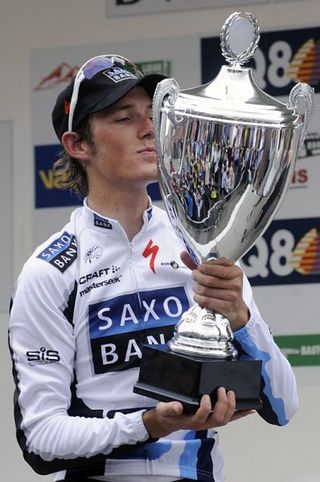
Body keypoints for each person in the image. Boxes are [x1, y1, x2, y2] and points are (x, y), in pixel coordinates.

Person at [8, 54, 298, 482]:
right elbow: (41, 439)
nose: (149, 130)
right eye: (124, 118)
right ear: (78, 145)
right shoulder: (50, 271)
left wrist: (241, 318)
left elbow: (284, 405)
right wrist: (149, 423)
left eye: (153, 115)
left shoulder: (204, 243)